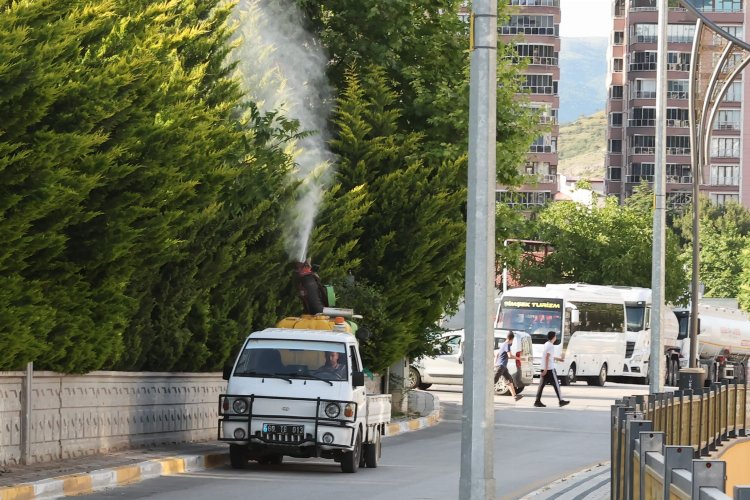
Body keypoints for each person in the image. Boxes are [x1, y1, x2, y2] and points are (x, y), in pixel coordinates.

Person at [534, 331, 570, 408]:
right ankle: (561, 401)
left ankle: (537, 401)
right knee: (556, 384)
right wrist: (546, 370)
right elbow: (547, 357)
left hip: (544, 368)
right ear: (553, 337)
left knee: (541, 385)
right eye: (555, 336)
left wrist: (559, 359)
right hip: (549, 369)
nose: (556, 337)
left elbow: (549, 357)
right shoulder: (550, 346)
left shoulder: (547, 344)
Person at [494, 331, 523, 401]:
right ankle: (482, 394)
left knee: (509, 380)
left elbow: (497, 354)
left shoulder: (504, 344)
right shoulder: (507, 345)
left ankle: (515, 396)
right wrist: (519, 358)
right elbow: (509, 355)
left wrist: (495, 363)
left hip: (503, 367)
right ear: (512, 339)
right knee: (493, 380)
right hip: (501, 366)